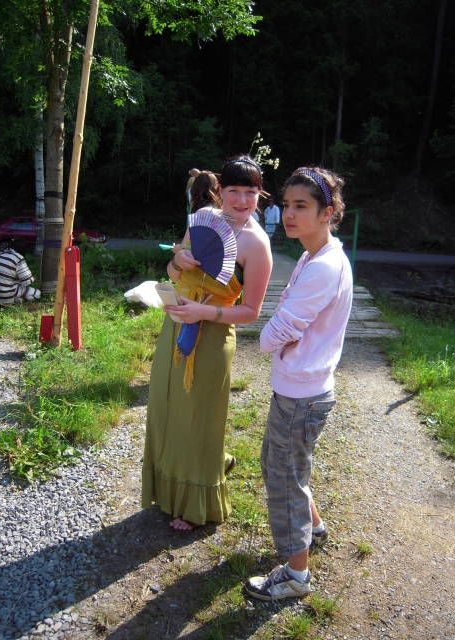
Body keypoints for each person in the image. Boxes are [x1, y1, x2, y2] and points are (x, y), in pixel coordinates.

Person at [142, 154, 273, 531]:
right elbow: (171, 272)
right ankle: (179, 481)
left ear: (260, 195)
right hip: (175, 325)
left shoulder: (256, 244)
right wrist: (178, 261)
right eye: (234, 191)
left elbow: (250, 311)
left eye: (251, 192)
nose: (243, 200)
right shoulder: (202, 220)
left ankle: (197, 503)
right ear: (220, 192)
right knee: (168, 407)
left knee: (199, 418)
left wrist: (204, 312)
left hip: (213, 335)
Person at [245, 166, 353, 601]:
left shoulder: (324, 266)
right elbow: (291, 319)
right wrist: (282, 334)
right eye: (286, 205)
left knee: (284, 479)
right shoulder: (315, 256)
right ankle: (315, 529)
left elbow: (280, 328)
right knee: (283, 465)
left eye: (301, 206)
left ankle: (295, 575)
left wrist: (267, 338)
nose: (289, 214)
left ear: (327, 212)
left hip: (302, 395)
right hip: (301, 388)